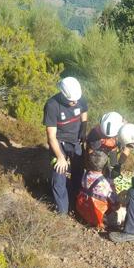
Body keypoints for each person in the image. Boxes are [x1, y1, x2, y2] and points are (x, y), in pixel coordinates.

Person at [43, 76, 88, 215]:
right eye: (71, 100)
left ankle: (75, 202)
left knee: (79, 172)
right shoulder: (52, 105)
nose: (75, 102)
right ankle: (62, 211)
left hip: (75, 141)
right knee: (59, 176)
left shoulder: (78, 97)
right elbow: (51, 136)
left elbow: (84, 112)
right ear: (63, 94)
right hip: (59, 142)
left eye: (76, 99)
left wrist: (83, 129)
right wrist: (60, 157)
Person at [76, 150, 119, 228]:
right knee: (117, 207)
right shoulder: (104, 183)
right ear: (104, 166)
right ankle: (102, 222)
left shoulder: (85, 175)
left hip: (84, 207)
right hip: (97, 212)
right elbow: (113, 199)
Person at [86, 111, 125, 178]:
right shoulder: (94, 134)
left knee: (111, 167)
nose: (108, 138)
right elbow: (90, 152)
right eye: (105, 136)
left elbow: (127, 148)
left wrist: (116, 166)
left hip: (112, 148)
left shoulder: (124, 130)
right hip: (97, 153)